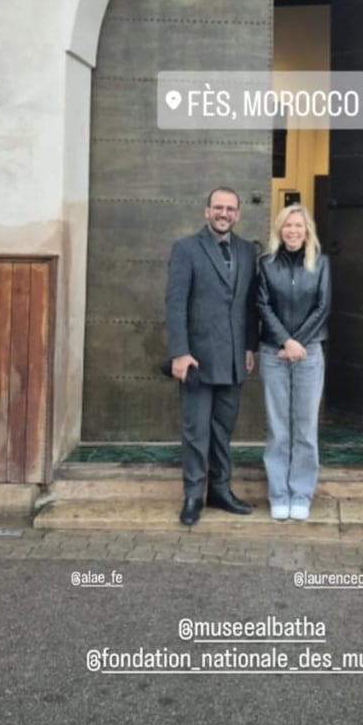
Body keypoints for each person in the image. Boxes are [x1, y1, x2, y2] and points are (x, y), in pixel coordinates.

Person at [165, 187, 259, 527]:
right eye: (218, 207)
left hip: (233, 359)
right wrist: (180, 353)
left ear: (238, 214)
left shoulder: (247, 251)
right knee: (196, 432)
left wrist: (249, 346)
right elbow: (175, 304)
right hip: (197, 360)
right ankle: (193, 495)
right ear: (207, 211)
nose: (224, 213)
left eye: (230, 209)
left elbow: (250, 304)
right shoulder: (186, 249)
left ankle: (220, 490)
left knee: (222, 431)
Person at [257, 204, 331, 521]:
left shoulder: (321, 263)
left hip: (309, 353)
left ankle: (300, 493)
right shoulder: (266, 264)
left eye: (298, 225)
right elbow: (262, 305)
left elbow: (323, 306)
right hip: (273, 353)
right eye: (288, 225)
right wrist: (285, 341)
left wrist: (297, 342)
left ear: (307, 230)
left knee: (305, 427)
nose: (293, 231)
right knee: (278, 428)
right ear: (279, 229)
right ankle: (278, 494)